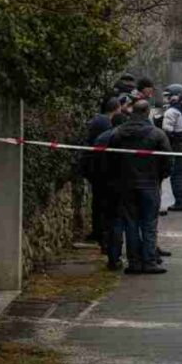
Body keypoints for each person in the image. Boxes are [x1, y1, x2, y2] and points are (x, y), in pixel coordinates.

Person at [100, 99, 172, 274]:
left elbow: (110, 159)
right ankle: (149, 261)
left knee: (130, 224)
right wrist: (159, 177)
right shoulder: (157, 134)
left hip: (125, 185)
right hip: (149, 184)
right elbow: (168, 161)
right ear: (147, 112)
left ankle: (134, 262)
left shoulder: (117, 134)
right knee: (148, 223)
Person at [83, 97, 121, 251]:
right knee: (105, 206)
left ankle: (99, 233)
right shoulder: (106, 125)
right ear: (116, 108)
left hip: (97, 170)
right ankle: (102, 236)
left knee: (98, 202)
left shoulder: (98, 120)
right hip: (103, 172)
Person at [162, 84, 182, 211]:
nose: (166, 99)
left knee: (176, 175)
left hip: (176, 146)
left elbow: (167, 131)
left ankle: (179, 203)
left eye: (168, 96)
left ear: (176, 97)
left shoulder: (171, 111)